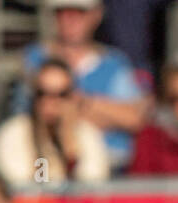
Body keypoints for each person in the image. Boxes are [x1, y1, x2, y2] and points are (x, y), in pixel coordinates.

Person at [14, 0, 151, 172]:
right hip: (52, 163)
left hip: (113, 164)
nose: (69, 19)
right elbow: (27, 115)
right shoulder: (35, 58)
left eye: (78, 12)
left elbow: (135, 119)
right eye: (61, 12)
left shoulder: (114, 62)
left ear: (96, 15)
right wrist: (103, 115)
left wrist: (80, 104)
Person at [0, 58, 111, 185]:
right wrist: (41, 141)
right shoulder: (14, 133)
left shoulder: (87, 134)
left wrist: (69, 144)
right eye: (42, 93)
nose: (50, 102)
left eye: (61, 95)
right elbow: (34, 187)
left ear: (72, 97)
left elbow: (91, 186)